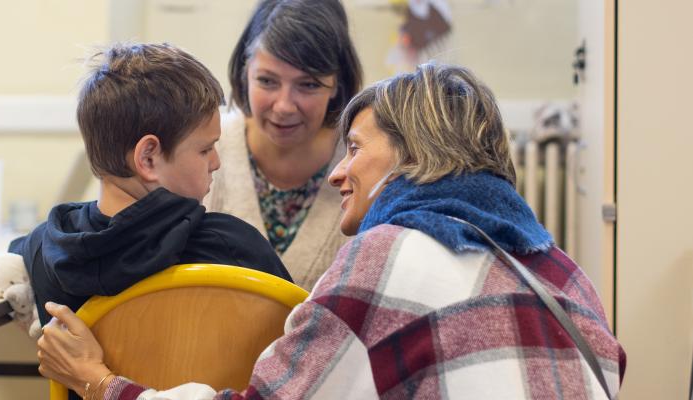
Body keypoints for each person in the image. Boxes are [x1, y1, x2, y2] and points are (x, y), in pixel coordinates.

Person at [37, 62, 626, 399]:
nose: (339, 172)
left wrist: (100, 383)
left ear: (413, 156)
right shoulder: (564, 273)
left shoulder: (389, 255)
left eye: (356, 148)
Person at [9, 42, 291, 325]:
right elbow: (302, 340)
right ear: (148, 158)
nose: (216, 162)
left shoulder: (45, 248)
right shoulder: (230, 246)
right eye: (205, 149)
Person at [204, 0, 363, 290]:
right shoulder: (202, 147)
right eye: (267, 81)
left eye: (309, 85)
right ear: (245, 73)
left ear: (337, 84)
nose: (284, 106)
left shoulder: (364, 165)